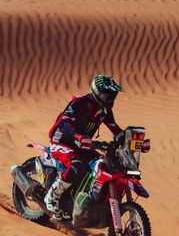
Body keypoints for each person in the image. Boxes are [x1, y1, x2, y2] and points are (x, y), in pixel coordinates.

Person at [43, 75, 124, 220]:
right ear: (97, 92)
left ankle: (79, 200)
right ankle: (51, 198)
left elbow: (115, 129)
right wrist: (77, 136)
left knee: (101, 165)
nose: (111, 98)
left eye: (113, 95)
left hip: (82, 145)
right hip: (62, 142)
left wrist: (130, 139)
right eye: (108, 94)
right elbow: (64, 123)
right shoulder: (80, 103)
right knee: (77, 165)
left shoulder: (105, 111)